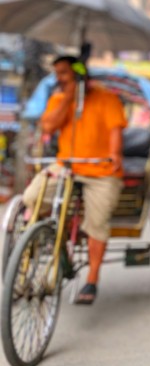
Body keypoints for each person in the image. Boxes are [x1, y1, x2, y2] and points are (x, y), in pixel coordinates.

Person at [23, 55, 127, 305]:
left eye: (64, 73)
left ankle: (91, 279)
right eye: (57, 73)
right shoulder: (59, 99)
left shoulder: (107, 98)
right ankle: (43, 242)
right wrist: (69, 97)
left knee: (97, 222)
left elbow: (115, 133)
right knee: (32, 197)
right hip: (66, 166)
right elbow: (48, 127)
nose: (58, 78)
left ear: (80, 75)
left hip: (101, 170)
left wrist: (113, 156)